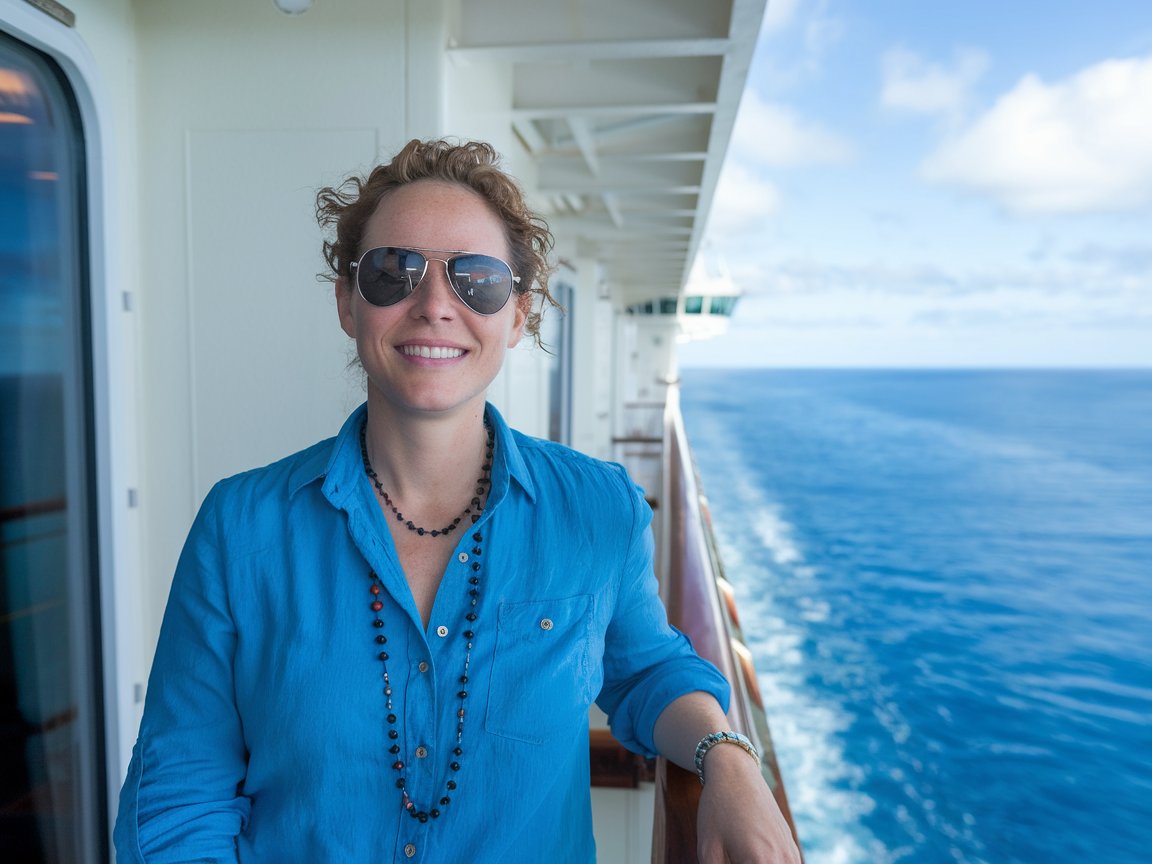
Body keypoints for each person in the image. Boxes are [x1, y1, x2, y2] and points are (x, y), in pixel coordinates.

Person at [113, 138, 800, 863]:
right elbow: (179, 795)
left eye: (478, 280)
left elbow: (648, 669)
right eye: (392, 271)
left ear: (518, 315)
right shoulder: (240, 527)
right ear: (348, 303)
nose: (436, 305)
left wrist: (728, 759)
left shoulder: (599, 511)